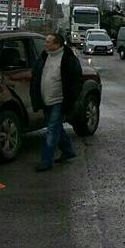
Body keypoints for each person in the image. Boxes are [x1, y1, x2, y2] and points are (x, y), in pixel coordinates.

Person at [30, 32, 83, 172]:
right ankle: (68, 151)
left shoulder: (68, 59)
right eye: (46, 41)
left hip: (59, 101)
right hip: (45, 99)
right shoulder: (44, 56)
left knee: (52, 130)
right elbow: (36, 75)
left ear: (57, 44)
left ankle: (46, 161)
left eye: (48, 42)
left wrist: (71, 98)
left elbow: (76, 81)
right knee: (56, 128)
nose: (45, 44)